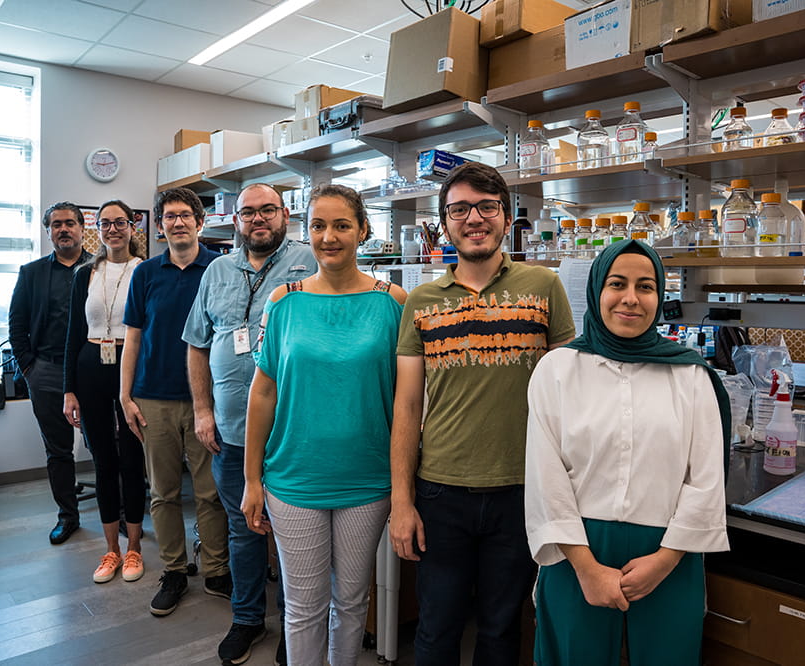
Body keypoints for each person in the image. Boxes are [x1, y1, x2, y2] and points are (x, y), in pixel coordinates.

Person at [389, 162, 576, 665]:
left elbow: (572, 392)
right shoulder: (423, 301)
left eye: (487, 207)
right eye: (460, 209)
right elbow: (407, 407)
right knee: (436, 628)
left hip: (522, 489)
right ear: (444, 223)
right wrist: (402, 502)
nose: (474, 218)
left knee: (500, 629)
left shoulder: (544, 286)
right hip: (441, 491)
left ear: (506, 215)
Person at [524, 239, 731, 665]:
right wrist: (587, 568)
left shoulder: (691, 374)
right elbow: (546, 477)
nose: (631, 299)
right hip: (576, 549)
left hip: (669, 553)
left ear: (660, 296)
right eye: (617, 284)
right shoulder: (557, 369)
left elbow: (706, 478)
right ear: (597, 289)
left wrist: (665, 559)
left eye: (646, 286)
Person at [241, 184, 407, 665]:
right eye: (318, 226)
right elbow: (263, 392)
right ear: (305, 232)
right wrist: (252, 479)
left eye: (341, 225)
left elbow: (406, 401)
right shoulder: (283, 301)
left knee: (352, 603)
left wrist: (402, 488)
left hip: (367, 479)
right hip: (294, 478)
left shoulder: (392, 302)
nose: (328, 237)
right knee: (303, 607)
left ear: (363, 230)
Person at [183, 183, 316, 666]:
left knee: (290, 534)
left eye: (267, 211)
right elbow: (197, 343)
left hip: (291, 431)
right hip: (231, 431)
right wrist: (202, 411)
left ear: (285, 214)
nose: (257, 219)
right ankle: (246, 619)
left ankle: (293, 627)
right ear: (236, 220)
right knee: (243, 530)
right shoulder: (218, 269)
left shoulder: (310, 262)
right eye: (248, 213)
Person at [120, 187, 229, 616]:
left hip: (208, 398)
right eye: (169, 217)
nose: (177, 222)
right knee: (163, 493)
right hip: (154, 399)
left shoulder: (219, 269)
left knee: (210, 492)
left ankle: (218, 569)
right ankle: (175, 570)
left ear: (200, 222)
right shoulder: (146, 273)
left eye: (185, 215)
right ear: (160, 226)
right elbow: (133, 337)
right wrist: (125, 395)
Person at [62, 200, 147, 585]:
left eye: (120, 222)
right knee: (103, 461)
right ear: (97, 229)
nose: (113, 229)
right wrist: (69, 391)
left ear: (133, 227)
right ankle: (111, 549)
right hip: (90, 365)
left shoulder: (144, 271)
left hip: (131, 368)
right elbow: (71, 336)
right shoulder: (86, 274)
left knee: (131, 458)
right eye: (105, 223)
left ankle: (135, 548)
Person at [8, 202, 91, 545]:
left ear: (82, 228)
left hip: (93, 372)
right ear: (48, 231)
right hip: (46, 371)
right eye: (56, 225)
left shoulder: (100, 268)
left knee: (108, 446)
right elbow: (17, 324)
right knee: (58, 451)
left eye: (69, 223)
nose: (63, 229)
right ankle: (67, 517)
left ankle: (118, 517)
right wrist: (29, 366)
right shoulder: (31, 273)